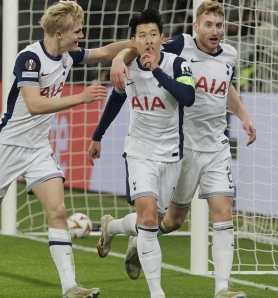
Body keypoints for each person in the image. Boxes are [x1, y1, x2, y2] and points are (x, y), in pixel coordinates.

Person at [0, 1, 135, 297]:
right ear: (57, 33)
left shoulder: (67, 55)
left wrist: (137, 43)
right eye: (76, 31)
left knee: (58, 211)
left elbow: (104, 53)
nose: (81, 35)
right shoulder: (30, 59)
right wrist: (80, 98)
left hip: (38, 149)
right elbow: (35, 104)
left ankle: (69, 287)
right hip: (7, 146)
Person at [101, 1, 257, 298]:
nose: (215, 31)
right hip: (183, 147)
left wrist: (244, 116)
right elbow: (141, 45)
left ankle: (222, 288)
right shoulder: (180, 46)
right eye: (208, 25)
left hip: (216, 146)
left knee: (224, 214)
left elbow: (226, 89)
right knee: (170, 222)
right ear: (195, 26)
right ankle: (119, 230)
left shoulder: (230, 55)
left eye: (219, 25)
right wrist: (120, 58)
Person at [88, 7, 195, 298]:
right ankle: (157, 293)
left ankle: (111, 228)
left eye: (152, 34)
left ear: (163, 38)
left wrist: (156, 70)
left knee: (152, 223)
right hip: (139, 153)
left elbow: (187, 97)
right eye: (141, 35)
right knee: (147, 220)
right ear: (133, 40)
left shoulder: (177, 64)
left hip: (171, 155)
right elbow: (115, 101)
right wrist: (97, 136)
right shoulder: (129, 66)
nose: (148, 40)